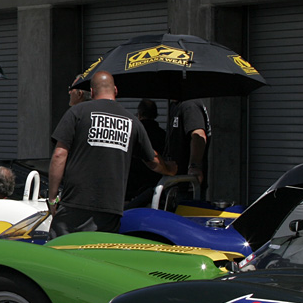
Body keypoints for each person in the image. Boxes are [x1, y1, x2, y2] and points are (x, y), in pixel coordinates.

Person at [47, 71, 173, 237]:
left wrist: (52, 198)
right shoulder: (132, 122)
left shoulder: (77, 113)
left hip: (75, 204)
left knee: (61, 256)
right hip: (110, 209)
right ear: (115, 90)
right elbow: (153, 160)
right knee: (99, 256)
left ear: (91, 92)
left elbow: (59, 155)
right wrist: (170, 170)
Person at [125, 98, 167, 204]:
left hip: (132, 187)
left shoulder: (133, 132)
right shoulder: (163, 135)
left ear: (139, 114)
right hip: (156, 187)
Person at [164, 98, 211, 189]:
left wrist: (194, 166)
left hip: (185, 182)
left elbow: (198, 136)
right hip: (174, 180)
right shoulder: (175, 105)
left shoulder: (189, 105)